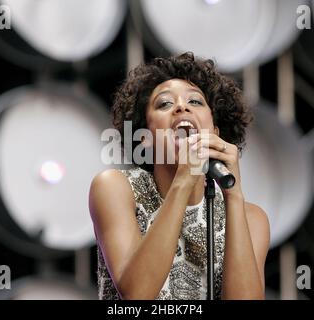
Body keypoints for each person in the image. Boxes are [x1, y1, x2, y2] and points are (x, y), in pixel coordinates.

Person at [89, 52, 270, 300]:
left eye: (195, 102)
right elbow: (137, 295)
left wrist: (234, 195)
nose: (182, 107)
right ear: (146, 139)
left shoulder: (252, 218)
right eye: (164, 104)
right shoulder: (115, 188)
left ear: (215, 132)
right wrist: (184, 179)